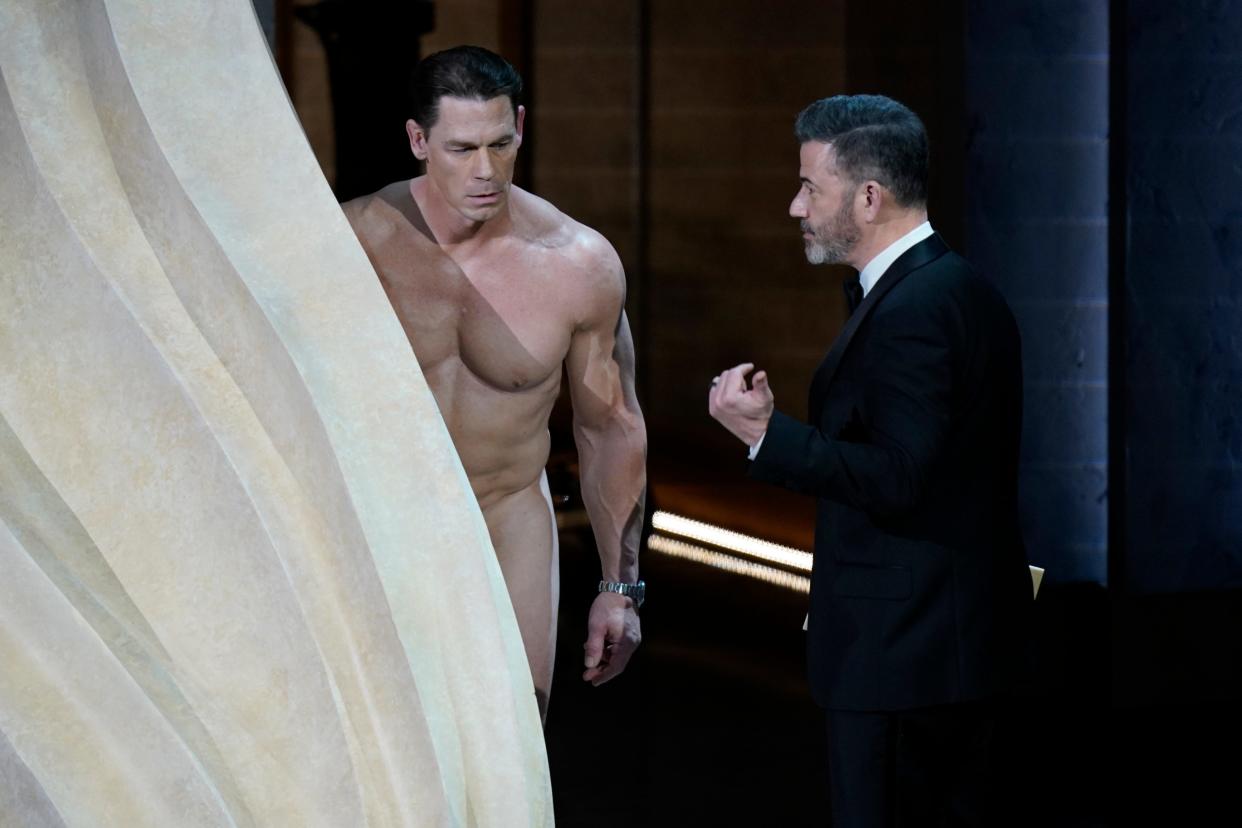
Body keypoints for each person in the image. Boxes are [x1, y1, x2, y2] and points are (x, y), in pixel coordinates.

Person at [708, 95, 1031, 826]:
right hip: (940, 650)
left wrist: (767, 436)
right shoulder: (953, 289)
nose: (795, 207)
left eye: (809, 188)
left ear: (869, 197)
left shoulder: (916, 309)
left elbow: (898, 477)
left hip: (905, 661)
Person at [343, 46, 646, 721]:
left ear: (522, 129)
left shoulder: (577, 264)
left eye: (500, 144)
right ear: (418, 140)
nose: (485, 171)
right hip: (383, 524)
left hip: (506, 514)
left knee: (512, 744)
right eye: (461, 148)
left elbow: (611, 426)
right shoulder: (351, 243)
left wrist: (620, 588)